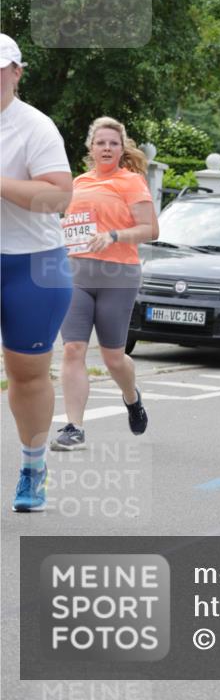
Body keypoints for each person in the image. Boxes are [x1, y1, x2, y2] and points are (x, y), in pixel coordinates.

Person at [50, 117, 159, 450]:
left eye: (113, 143)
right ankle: (74, 427)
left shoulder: (131, 182)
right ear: (91, 148)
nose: (107, 148)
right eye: (101, 142)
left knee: (113, 358)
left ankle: (131, 396)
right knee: (73, 349)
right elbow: (68, 226)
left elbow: (151, 230)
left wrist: (113, 235)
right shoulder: (78, 182)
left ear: (121, 148)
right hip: (76, 275)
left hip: (118, 275)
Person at [0, 35, 73, 511]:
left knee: (26, 375)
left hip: (32, 264)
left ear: (16, 72)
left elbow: (58, 197)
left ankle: (33, 467)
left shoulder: (34, 127)